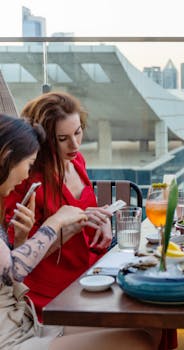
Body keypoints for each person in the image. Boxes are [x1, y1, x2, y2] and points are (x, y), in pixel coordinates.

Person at [0, 113, 159, 350]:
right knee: (137, 340)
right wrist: (53, 224)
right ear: (7, 158)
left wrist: (23, 237)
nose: (26, 175)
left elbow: (10, 276)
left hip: (26, 321)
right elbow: (12, 271)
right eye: (29, 164)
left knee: (149, 324)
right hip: (11, 338)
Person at [4, 92, 113, 320]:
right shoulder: (24, 180)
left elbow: (81, 212)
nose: (74, 145)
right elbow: (18, 258)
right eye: (62, 139)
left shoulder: (76, 160)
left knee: (157, 306)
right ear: (44, 139)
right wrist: (65, 227)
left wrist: (101, 221)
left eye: (78, 132)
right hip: (49, 289)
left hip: (89, 270)